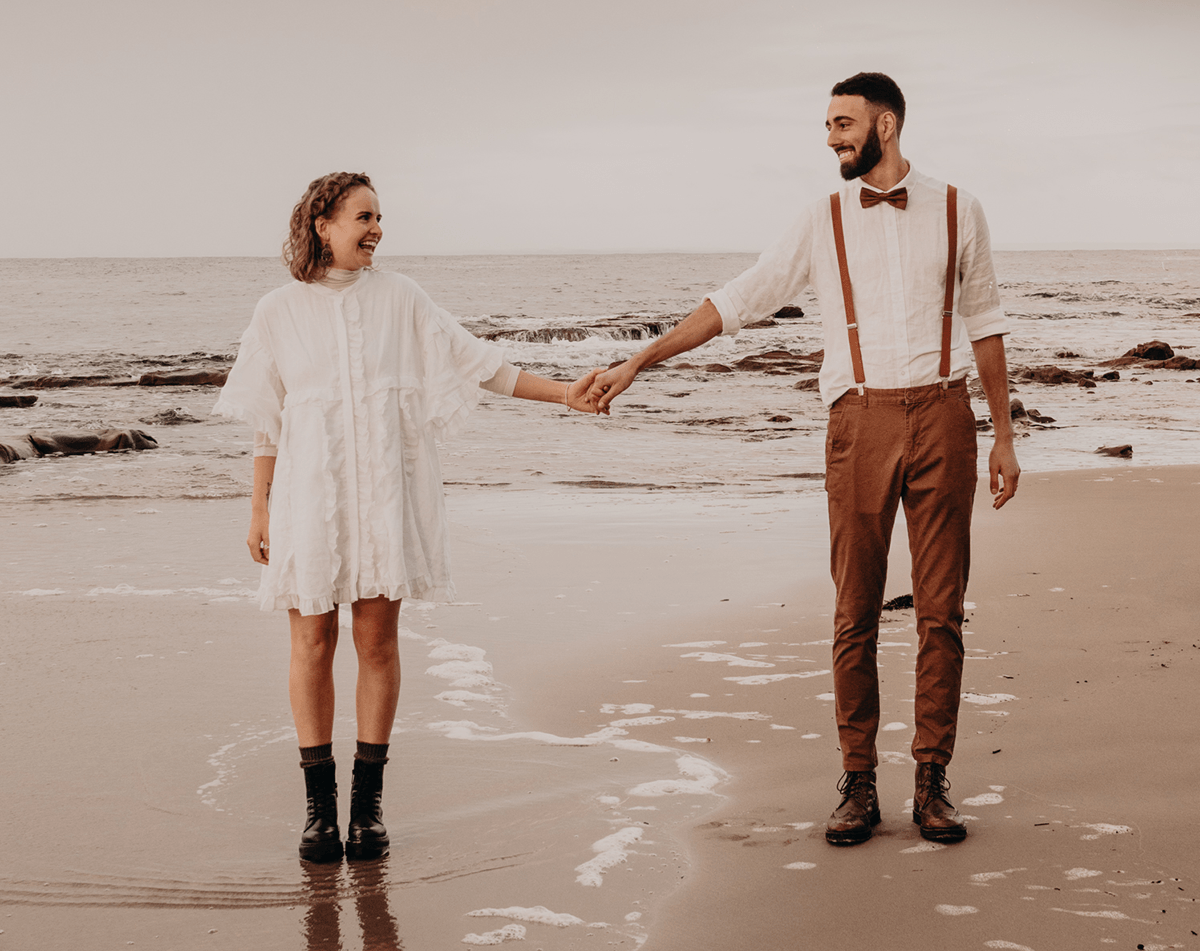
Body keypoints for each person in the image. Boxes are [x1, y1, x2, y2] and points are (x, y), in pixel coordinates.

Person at [588, 73, 1019, 846]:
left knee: (941, 611)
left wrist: (1006, 436)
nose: (830, 138)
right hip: (858, 420)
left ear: (885, 125)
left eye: (843, 123)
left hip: (945, 416)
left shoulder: (961, 208)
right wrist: (641, 360)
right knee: (854, 611)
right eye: (827, 125)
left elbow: (985, 321)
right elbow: (740, 298)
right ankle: (858, 782)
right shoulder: (821, 219)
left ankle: (931, 781)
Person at [214, 172, 601, 863]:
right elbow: (268, 423)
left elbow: (482, 366)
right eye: (364, 216)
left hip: (382, 498)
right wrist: (258, 508)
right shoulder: (277, 311)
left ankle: (366, 808)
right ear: (322, 222)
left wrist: (565, 394)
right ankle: (317, 812)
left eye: (381, 217)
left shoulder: (402, 298)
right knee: (310, 644)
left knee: (378, 642)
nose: (377, 230)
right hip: (310, 499)